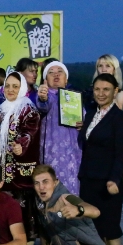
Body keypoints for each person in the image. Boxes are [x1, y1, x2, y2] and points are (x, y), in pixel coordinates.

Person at [77, 74, 123, 245]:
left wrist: (114, 179)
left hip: (108, 184)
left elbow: (121, 153)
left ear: (115, 91)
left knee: (111, 231)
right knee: (95, 233)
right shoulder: (91, 114)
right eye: (97, 89)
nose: (101, 93)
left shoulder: (120, 118)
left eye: (106, 89)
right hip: (89, 180)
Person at [0, 72, 41, 245]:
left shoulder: (28, 110)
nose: (10, 89)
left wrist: (21, 145)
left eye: (15, 86)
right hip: (3, 171)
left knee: (22, 212)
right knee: (4, 211)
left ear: (22, 88)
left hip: (20, 174)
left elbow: (29, 132)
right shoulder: (1, 109)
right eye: (7, 86)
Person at [36, 61, 83, 195]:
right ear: (45, 79)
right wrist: (42, 97)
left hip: (74, 156)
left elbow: (85, 121)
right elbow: (43, 105)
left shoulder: (74, 98)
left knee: (72, 196)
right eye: (51, 72)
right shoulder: (48, 96)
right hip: (52, 156)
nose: (56, 75)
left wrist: (83, 125)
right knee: (52, 195)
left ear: (66, 79)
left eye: (60, 72)